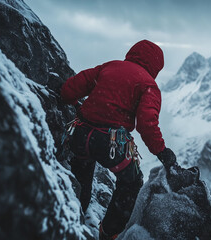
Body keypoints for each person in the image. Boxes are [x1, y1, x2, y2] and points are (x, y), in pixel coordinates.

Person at [60, 40, 178, 240]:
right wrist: (161, 151)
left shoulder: (110, 66)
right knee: (131, 183)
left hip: (80, 134)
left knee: (82, 171)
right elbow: (146, 124)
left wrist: (75, 104)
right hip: (111, 143)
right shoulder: (148, 84)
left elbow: (70, 89)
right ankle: (108, 233)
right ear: (156, 66)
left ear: (132, 53)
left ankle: (74, 217)